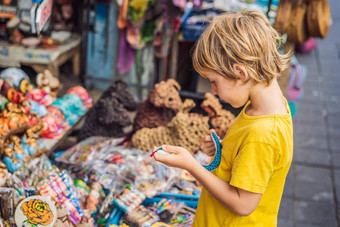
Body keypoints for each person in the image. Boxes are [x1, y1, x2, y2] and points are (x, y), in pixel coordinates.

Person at [153, 9, 293, 226]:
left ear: (240, 73)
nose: (213, 90)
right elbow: (246, 159)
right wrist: (222, 150)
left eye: (214, 81)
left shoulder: (262, 134)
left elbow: (243, 204)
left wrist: (192, 166)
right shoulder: (265, 108)